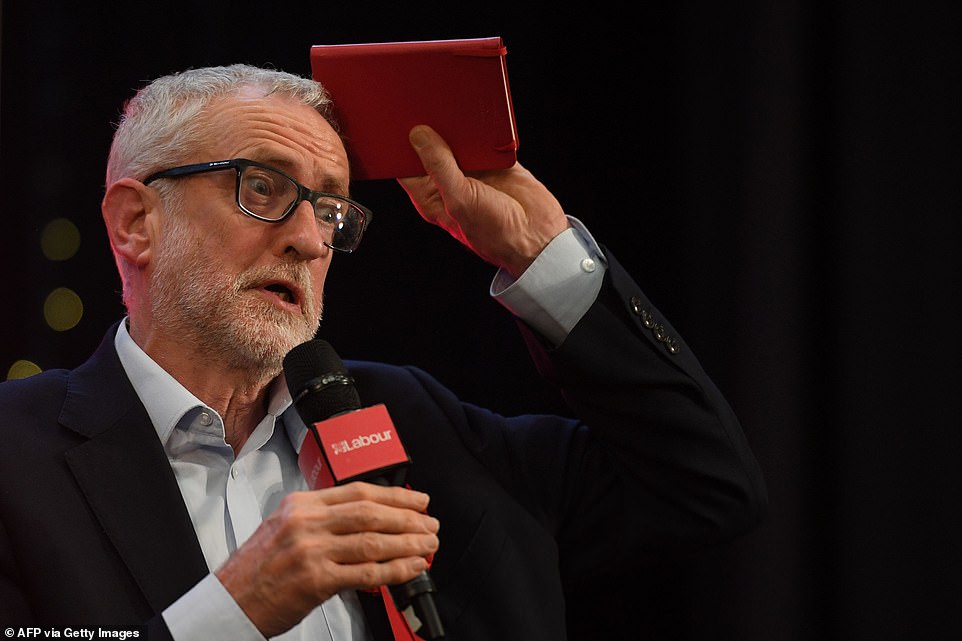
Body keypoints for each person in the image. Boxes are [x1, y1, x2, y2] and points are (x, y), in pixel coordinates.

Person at [0, 64, 766, 640]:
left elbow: (703, 487)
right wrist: (235, 610)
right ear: (136, 221)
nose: (308, 239)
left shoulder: (413, 420)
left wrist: (542, 256)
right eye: (262, 188)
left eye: (330, 208)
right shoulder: (17, 454)